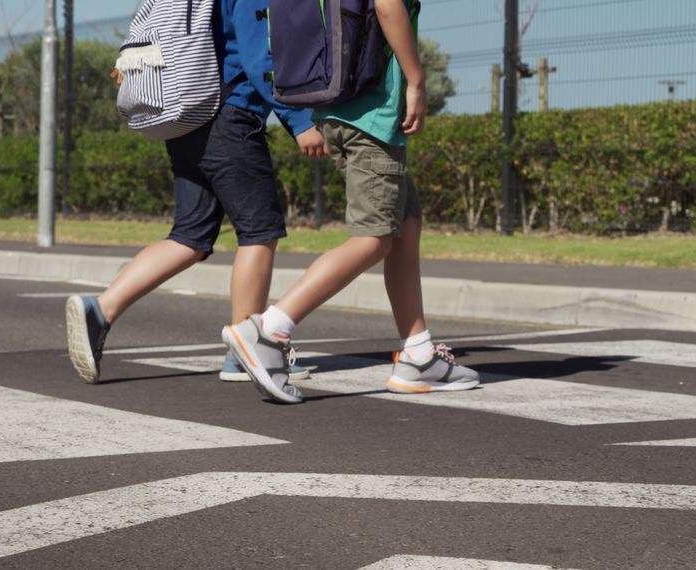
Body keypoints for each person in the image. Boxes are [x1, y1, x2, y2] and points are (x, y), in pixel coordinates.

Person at [222, 0, 479, 404]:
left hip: (338, 108)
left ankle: (419, 354)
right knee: (374, 238)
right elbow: (387, 4)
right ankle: (269, 330)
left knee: (406, 225)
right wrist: (416, 79)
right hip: (371, 116)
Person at [66, 0, 326, 384]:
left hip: (187, 118)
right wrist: (300, 121)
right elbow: (260, 58)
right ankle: (245, 352)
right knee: (259, 232)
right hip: (231, 117)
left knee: (190, 237)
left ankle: (100, 309)